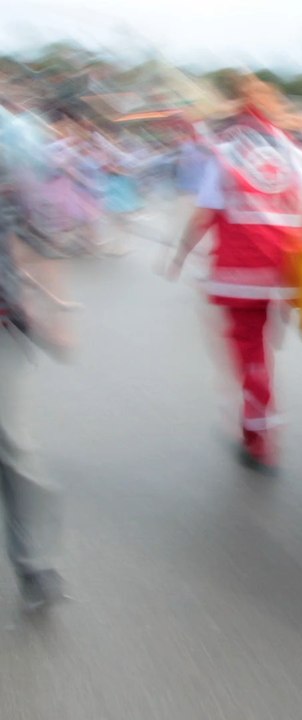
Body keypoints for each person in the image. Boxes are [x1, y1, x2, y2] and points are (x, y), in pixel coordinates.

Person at [167, 73, 302, 472]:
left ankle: (258, 434)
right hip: (286, 268)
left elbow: (204, 215)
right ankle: (256, 416)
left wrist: (179, 255)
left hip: (240, 269)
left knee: (249, 350)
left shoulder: (225, 153)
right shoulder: (298, 155)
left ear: (239, 112)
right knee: (261, 345)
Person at [0, 113, 70, 611]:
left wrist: (54, 307)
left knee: (14, 447)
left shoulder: (10, 143)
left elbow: (32, 234)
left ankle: (36, 562)